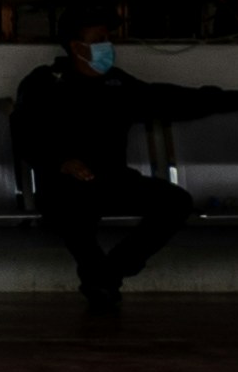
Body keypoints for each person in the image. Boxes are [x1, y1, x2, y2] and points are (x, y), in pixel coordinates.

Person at [10, 18, 195, 316]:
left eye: (108, 38)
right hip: (62, 183)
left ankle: (111, 271)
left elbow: (168, 99)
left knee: (176, 201)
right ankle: (101, 278)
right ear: (76, 46)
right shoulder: (43, 83)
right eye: (99, 39)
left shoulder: (117, 83)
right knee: (71, 211)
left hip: (112, 180)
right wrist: (60, 162)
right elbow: (23, 134)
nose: (108, 46)